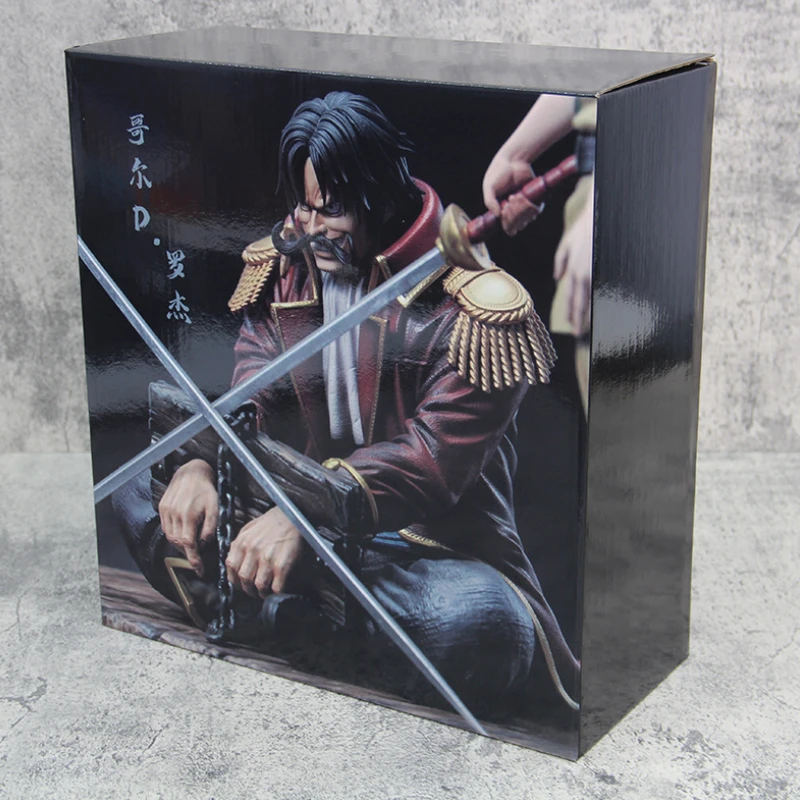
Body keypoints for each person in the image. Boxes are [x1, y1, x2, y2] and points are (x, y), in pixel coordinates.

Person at [122, 92, 579, 714]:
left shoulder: (478, 311)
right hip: (281, 518)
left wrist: (309, 521)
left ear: (379, 197)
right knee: (138, 488)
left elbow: (431, 465)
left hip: (417, 547)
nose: (310, 229)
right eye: (303, 207)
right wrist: (202, 464)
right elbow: (254, 398)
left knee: (482, 620)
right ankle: (301, 616)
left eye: (331, 210)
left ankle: (269, 611)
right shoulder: (288, 268)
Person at [483, 94, 596, 415]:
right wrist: (515, 154)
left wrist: (605, 209)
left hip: (631, 193)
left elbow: (657, 105)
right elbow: (589, 78)